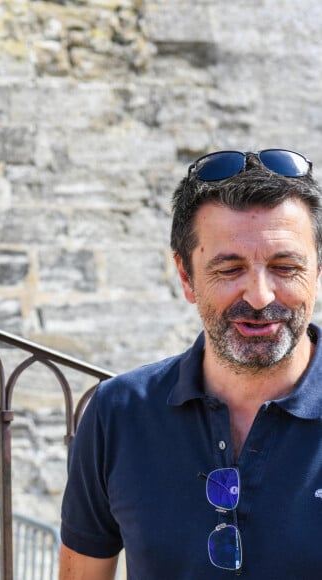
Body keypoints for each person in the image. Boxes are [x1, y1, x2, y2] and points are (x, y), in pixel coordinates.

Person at [59, 149, 322, 579]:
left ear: (319, 271)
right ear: (186, 277)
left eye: (285, 266)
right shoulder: (118, 412)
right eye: (230, 268)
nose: (260, 296)